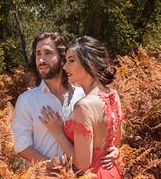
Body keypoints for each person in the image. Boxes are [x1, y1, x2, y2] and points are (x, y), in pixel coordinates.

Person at [11, 32, 117, 168]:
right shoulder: (27, 100)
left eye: (47, 53)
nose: (41, 60)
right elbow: (22, 146)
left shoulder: (83, 95)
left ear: (62, 59)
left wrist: (112, 149)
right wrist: (51, 166)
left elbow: (100, 133)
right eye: (38, 54)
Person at [39, 36, 123, 179]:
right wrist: (114, 150)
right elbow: (116, 139)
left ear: (88, 63)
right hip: (113, 176)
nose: (65, 67)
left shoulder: (83, 106)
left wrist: (58, 132)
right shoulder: (113, 95)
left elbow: (82, 165)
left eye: (71, 60)